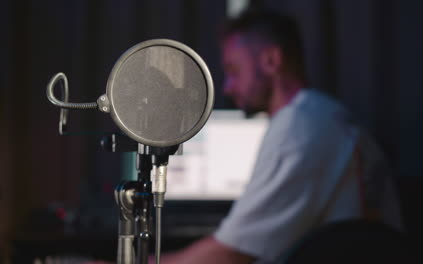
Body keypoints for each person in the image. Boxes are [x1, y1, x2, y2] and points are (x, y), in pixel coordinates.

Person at [89, 9, 403, 264]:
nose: (227, 87)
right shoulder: (327, 115)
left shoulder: (301, 127)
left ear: (271, 61)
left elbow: (229, 254)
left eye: (234, 71)